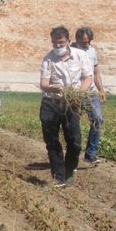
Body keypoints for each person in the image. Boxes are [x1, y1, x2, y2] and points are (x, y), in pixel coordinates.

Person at [39, 25, 93, 187]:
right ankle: (58, 177)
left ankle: (69, 172)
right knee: (52, 140)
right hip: (51, 102)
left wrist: (79, 94)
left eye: (61, 42)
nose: (58, 46)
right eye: (54, 43)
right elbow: (43, 83)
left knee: (74, 141)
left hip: (72, 102)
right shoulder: (48, 59)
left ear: (69, 41)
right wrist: (51, 88)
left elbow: (88, 78)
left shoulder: (80, 55)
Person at [72, 26, 106, 165]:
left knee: (98, 119)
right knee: (73, 124)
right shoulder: (71, 51)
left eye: (87, 41)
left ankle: (91, 153)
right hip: (74, 92)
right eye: (83, 41)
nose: (85, 44)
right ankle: (72, 155)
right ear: (77, 39)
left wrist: (101, 90)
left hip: (90, 92)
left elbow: (96, 72)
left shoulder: (92, 51)